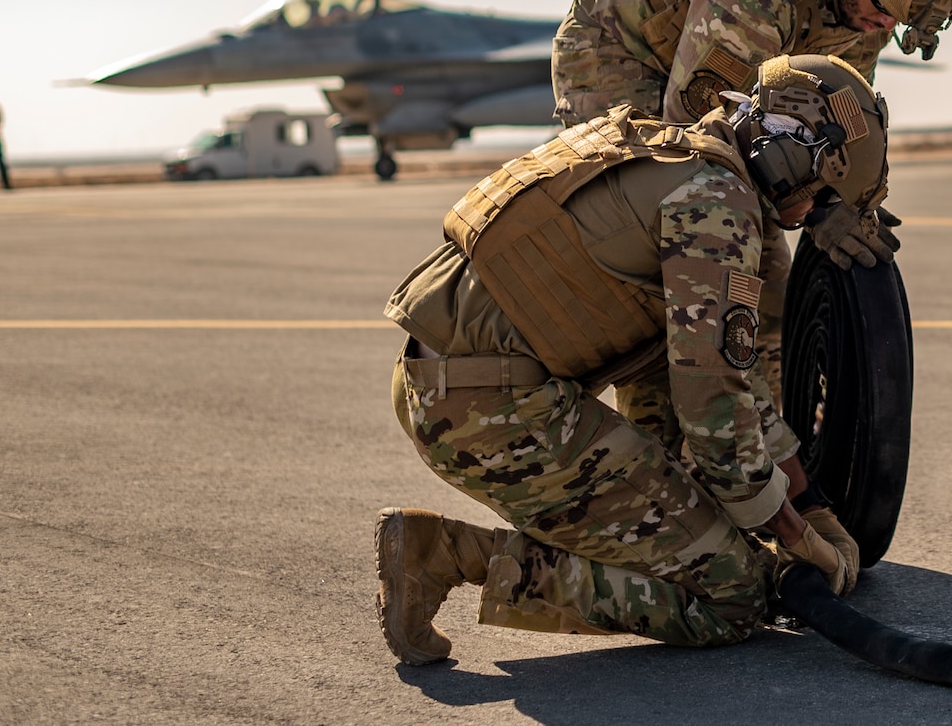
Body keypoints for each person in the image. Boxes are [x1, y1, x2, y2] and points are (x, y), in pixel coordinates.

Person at [376, 54, 888, 664]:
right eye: (819, 193)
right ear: (794, 154)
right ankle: (448, 555)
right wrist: (797, 540)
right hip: (490, 412)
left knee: (692, 527)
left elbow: (729, 377)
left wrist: (809, 504)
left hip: (446, 385)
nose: (808, 214)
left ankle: (651, 530)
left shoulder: (671, 151)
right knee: (735, 593)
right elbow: (718, 414)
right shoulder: (718, 207)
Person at [553, 0, 952, 395]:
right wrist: (798, 210)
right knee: (683, 243)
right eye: (881, 9)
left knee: (763, 265)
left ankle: (766, 424)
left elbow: (842, 114)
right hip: (618, 52)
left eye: (898, 19)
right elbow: (700, 141)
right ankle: (678, 430)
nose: (883, 27)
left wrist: (846, 200)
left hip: (710, 54)